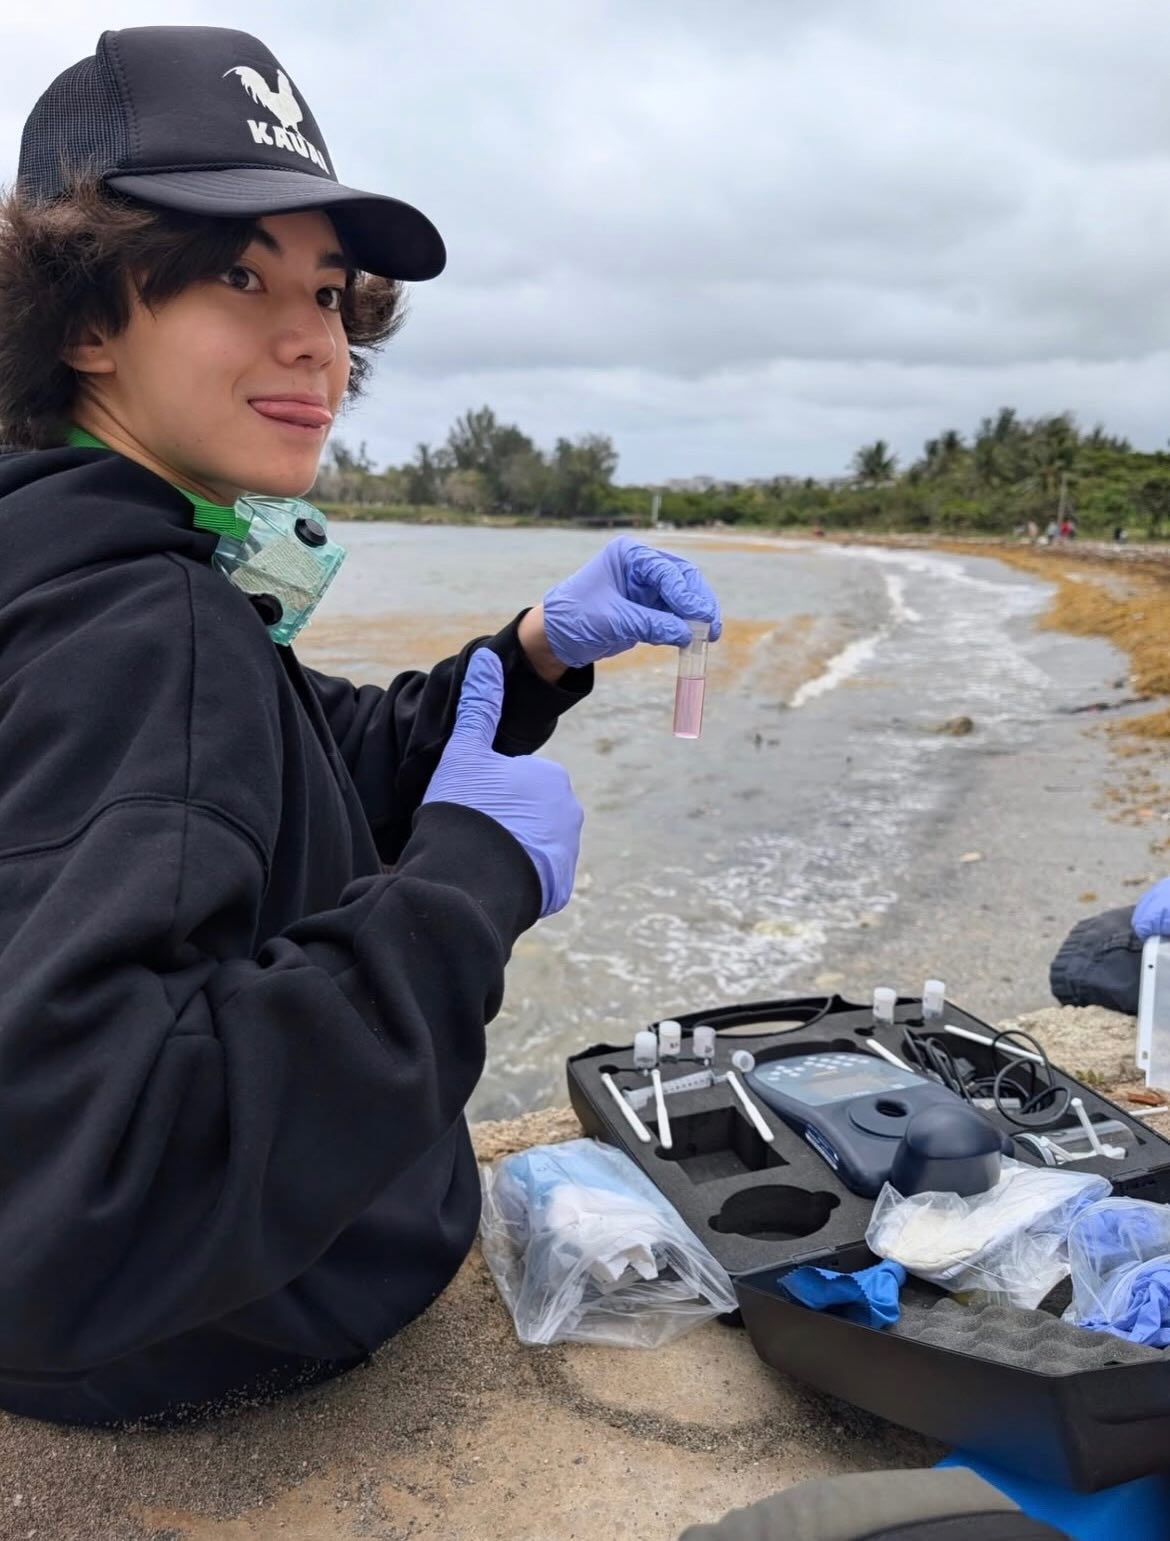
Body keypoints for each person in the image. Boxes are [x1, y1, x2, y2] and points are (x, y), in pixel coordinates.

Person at [0, 25, 720, 1427]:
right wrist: (466, 885)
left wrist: (526, 656)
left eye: (327, 290)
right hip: (201, 1342)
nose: (311, 340)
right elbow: (90, 1188)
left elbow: (297, 762)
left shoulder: (77, 562)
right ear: (84, 317)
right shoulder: (153, 627)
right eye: (236, 273)